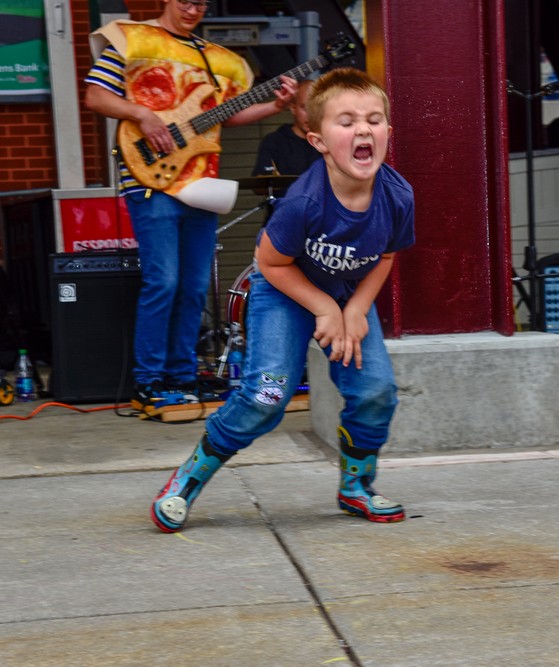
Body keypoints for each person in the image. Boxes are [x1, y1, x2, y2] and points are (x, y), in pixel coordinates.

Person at [149, 67, 416, 533]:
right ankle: (187, 479)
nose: (362, 130)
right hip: (284, 290)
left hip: (347, 293)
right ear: (317, 141)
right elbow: (269, 263)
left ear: (388, 133)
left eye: (374, 120)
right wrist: (325, 308)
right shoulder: (305, 202)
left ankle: (356, 488)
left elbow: (387, 255)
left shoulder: (397, 196)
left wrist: (352, 309)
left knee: (375, 391)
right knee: (266, 398)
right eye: (347, 121)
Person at [83, 0, 297, 406]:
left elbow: (224, 115)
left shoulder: (214, 57)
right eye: (186, 0)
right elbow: (95, 97)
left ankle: (181, 376)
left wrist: (276, 106)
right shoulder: (134, 38)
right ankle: (149, 379)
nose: (193, 9)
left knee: (195, 285)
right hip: (149, 177)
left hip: (199, 180)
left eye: (201, 2)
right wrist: (142, 115)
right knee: (163, 280)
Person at [251, 78, 321, 182]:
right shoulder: (274, 141)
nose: (311, 115)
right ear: (293, 108)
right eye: (305, 108)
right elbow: (259, 186)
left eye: (316, 108)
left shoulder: (329, 141)